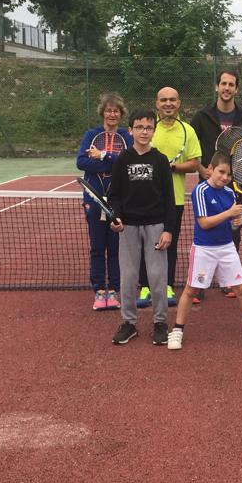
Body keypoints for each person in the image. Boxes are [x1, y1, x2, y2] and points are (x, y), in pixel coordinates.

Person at [167, 151, 242, 350]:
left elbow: (231, 224)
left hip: (226, 248)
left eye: (229, 174)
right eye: (221, 172)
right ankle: (177, 331)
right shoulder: (200, 191)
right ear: (210, 169)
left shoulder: (230, 193)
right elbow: (204, 223)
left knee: (241, 289)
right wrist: (229, 213)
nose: (225, 177)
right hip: (203, 249)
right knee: (191, 290)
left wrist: (236, 221)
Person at [189, 69, 242, 302]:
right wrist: (202, 169)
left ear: (236, 89)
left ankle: (229, 280)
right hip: (209, 183)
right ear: (217, 87)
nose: (227, 88)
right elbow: (192, 146)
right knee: (205, 228)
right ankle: (199, 284)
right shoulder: (202, 117)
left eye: (231, 84)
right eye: (223, 84)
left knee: (233, 227)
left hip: (236, 185)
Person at [107, 109, 177, 346]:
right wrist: (116, 217)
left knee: (157, 277)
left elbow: (169, 198)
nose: (144, 132)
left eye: (148, 128)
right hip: (128, 227)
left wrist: (168, 229)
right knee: (128, 277)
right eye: (139, 127)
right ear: (131, 130)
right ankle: (129, 323)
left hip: (156, 226)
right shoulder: (122, 160)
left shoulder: (160, 160)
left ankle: (160, 322)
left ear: (153, 131)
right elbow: (114, 195)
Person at [137, 87, 202, 310]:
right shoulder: (148, 129)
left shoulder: (188, 131)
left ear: (178, 103)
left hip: (174, 199)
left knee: (169, 244)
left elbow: (194, 163)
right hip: (145, 197)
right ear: (157, 104)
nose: (168, 103)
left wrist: (171, 167)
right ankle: (145, 286)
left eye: (172, 100)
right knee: (145, 243)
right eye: (163, 100)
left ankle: (167, 285)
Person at [76, 93, 132, 311]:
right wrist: (112, 162)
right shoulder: (91, 134)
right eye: (109, 110)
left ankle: (114, 290)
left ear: (121, 114)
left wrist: (102, 155)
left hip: (118, 201)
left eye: (116, 111)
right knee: (97, 248)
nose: (112, 114)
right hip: (94, 199)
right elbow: (82, 162)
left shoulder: (126, 136)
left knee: (116, 248)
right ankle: (99, 290)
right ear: (103, 113)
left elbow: (127, 162)